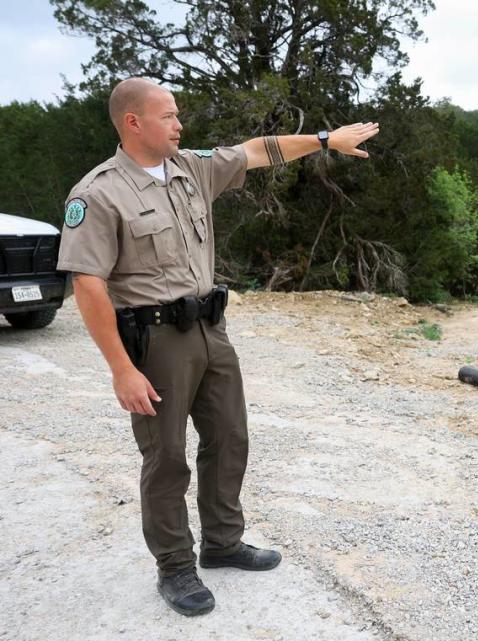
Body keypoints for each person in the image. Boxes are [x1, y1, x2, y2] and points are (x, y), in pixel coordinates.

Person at [57, 77, 379, 617]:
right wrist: (120, 369)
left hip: (211, 327)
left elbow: (257, 152)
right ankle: (176, 567)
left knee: (229, 437)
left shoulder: (191, 166)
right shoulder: (98, 193)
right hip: (154, 340)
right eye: (168, 116)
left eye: (177, 115)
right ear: (133, 122)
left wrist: (325, 139)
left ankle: (223, 543)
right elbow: (88, 285)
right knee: (166, 458)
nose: (179, 124)